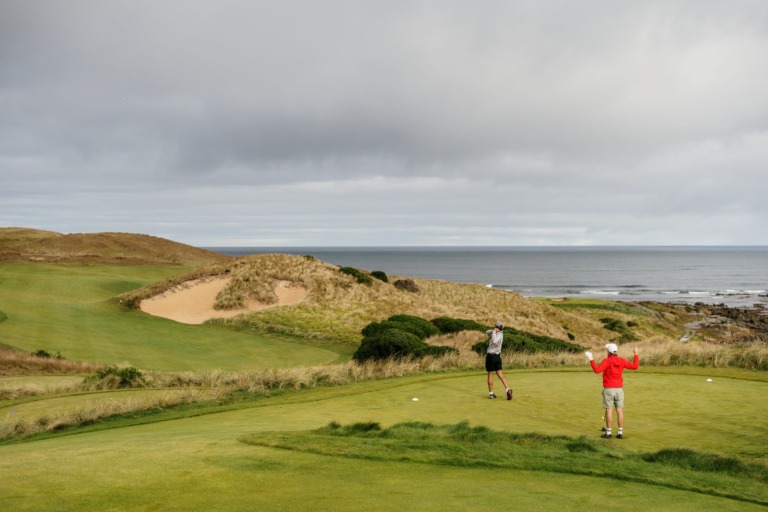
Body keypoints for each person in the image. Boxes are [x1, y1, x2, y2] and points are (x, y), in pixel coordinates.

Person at [585, 343, 639, 439]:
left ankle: (609, 433)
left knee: (609, 410)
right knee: (619, 410)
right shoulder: (621, 360)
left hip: (609, 389)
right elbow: (635, 366)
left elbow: (597, 370)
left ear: (609, 352)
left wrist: (591, 358)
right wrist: (636, 354)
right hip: (619, 390)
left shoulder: (607, 361)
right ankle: (620, 433)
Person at [485, 321, 513, 400]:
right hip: (497, 357)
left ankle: (491, 394)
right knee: (500, 374)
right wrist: (494, 330)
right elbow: (487, 332)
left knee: (490, 374)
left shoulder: (497, 335)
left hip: (491, 357)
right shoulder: (500, 333)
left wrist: (494, 331)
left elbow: (494, 341)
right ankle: (508, 389)